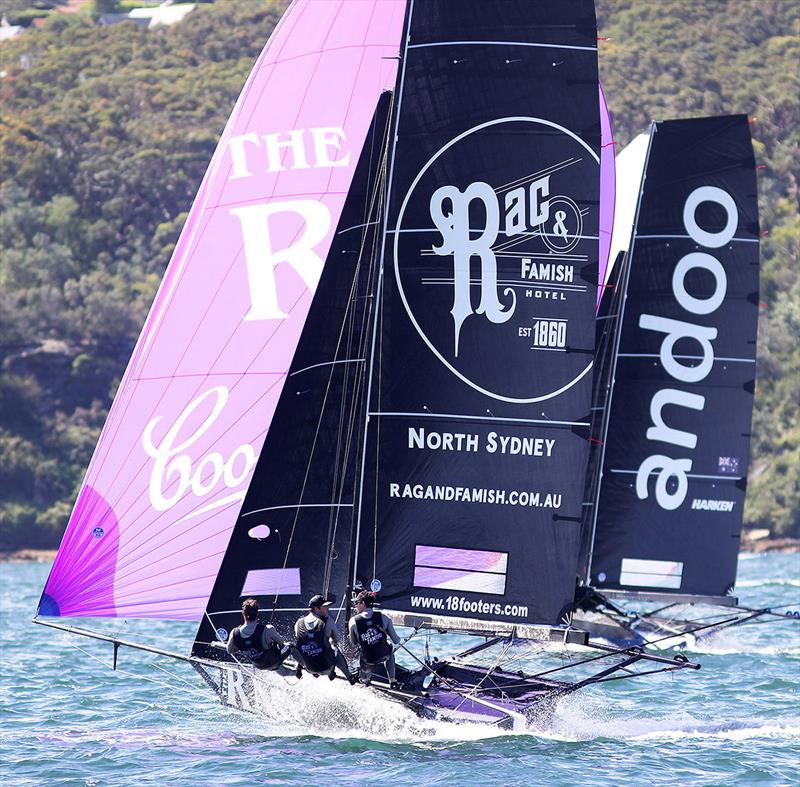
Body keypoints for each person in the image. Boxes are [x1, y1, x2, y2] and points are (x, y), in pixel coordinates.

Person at [294, 594, 355, 684]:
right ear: (316, 608)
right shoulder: (327, 621)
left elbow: (302, 644)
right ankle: (349, 677)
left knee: (302, 646)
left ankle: (299, 668)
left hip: (309, 668)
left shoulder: (298, 623)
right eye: (325, 606)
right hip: (325, 667)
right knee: (334, 648)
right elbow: (337, 639)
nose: (328, 608)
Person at [227, 598, 300, 671]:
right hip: (273, 662)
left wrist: (244, 646)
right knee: (290, 646)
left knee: (273, 665)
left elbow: (229, 650)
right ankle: (303, 667)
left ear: (243, 614)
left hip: (259, 666)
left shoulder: (234, 633)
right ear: (257, 613)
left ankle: (294, 673)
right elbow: (281, 643)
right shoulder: (268, 629)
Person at [348, 590, 401, 688]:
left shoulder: (353, 621)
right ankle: (392, 680)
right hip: (383, 655)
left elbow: (354, 643)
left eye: (356, 603)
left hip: (368, 660)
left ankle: (365, 680)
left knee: (364, 658)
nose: (355, 606)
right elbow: (396, 640)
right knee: (390, 649)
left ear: (363, 603)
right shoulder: (384, 617)